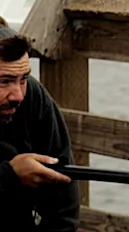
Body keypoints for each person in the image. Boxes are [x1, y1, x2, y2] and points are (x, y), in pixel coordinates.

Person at [0, 16, 80, 231]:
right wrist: (9, 177)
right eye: (4, 82)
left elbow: (64, 186)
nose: (17, 95)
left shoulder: (32, 96)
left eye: (23, 79)